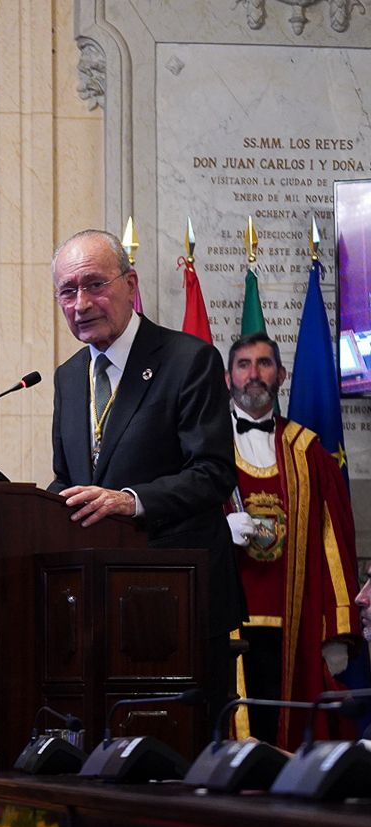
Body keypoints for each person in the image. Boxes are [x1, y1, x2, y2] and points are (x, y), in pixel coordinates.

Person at [48, 229, 243, 709]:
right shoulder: (69, 376)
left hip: (182, 599)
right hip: (103, 606)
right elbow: (68, 477)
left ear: (131, 285)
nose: (81, 304)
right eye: (67, 292)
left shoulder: (189, 360)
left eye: (94, 285)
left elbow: (213, 473)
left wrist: (130, 501)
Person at [221, 332, 359, 747]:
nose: (254, 375)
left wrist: (338, 628)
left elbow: (333, 541)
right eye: (243, 365)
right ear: (228, 377)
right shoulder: (204, 446)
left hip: (294, 624)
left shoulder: (308, 451)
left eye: (264, 364)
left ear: (280, 374)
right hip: (225, 622)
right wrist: (217, 530)